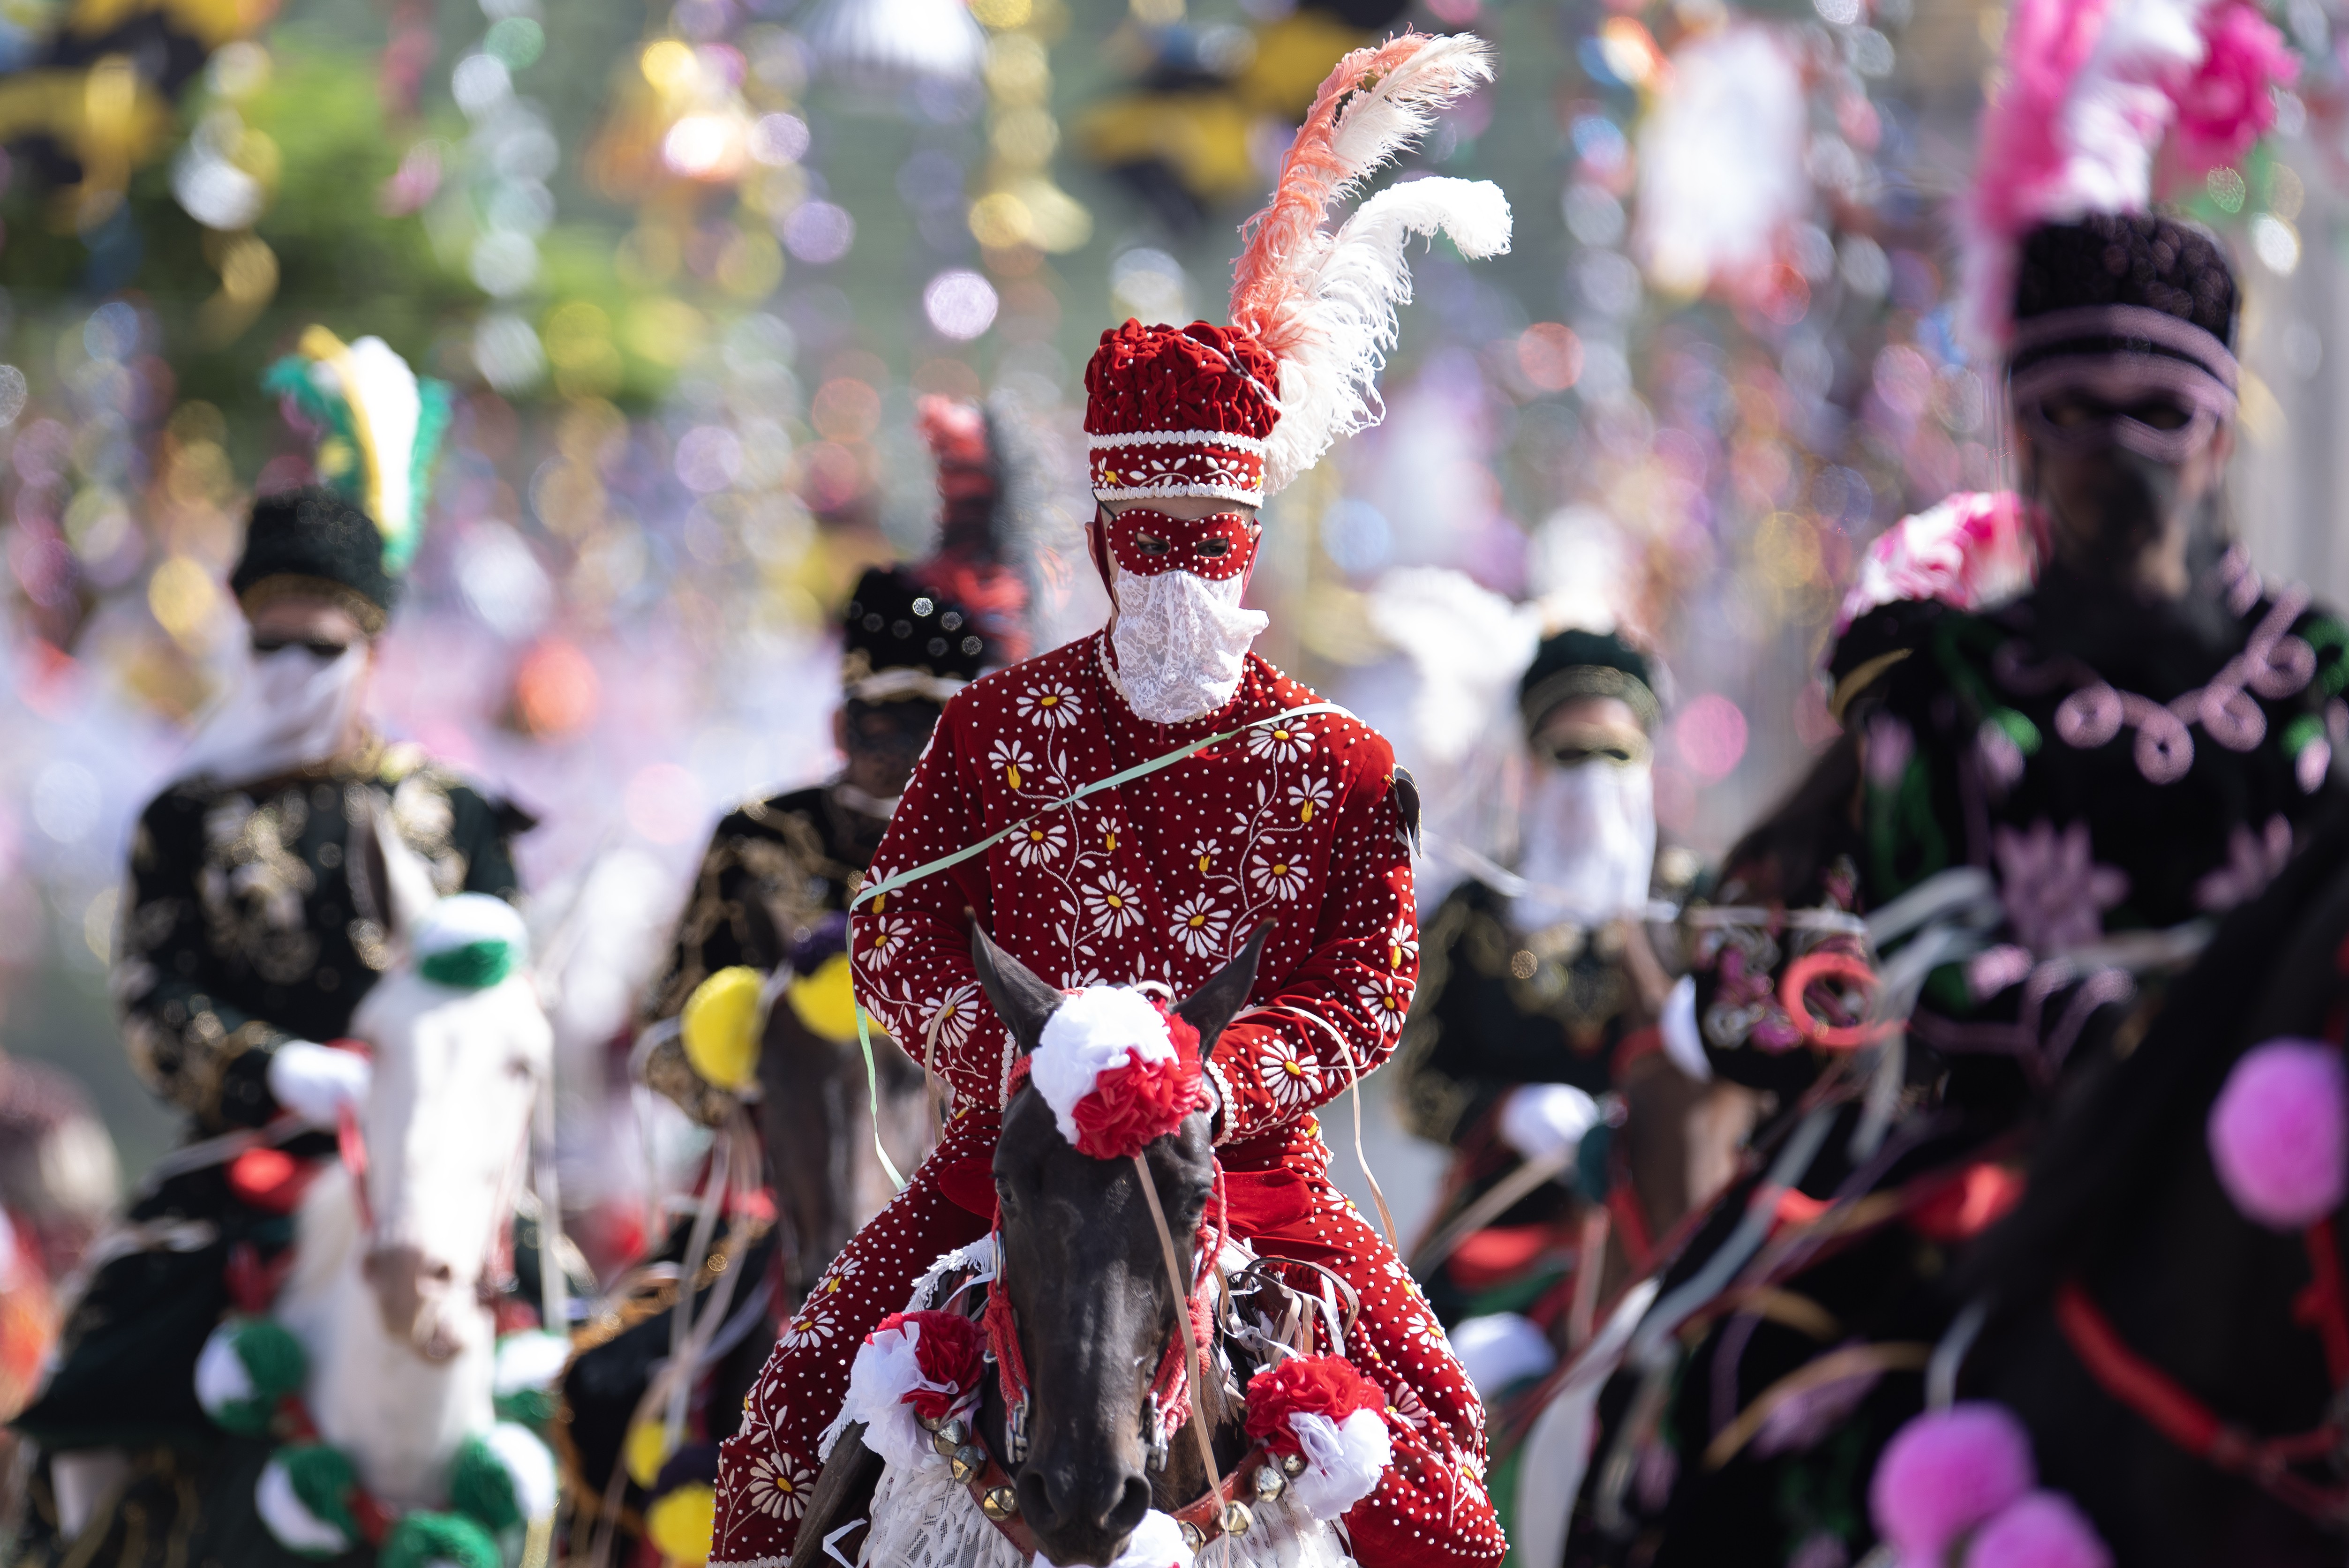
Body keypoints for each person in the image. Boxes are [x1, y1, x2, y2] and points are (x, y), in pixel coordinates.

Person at [708, 31, 1513, 1568]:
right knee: (777, 1432)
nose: (1171, 579)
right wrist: (1012, 1058)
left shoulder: (1338, 759)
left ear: (1248, 535)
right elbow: (896, 926)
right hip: (1000, 1162)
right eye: (1144, 544)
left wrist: (1221, 1077)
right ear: (1097, 532)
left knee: (1440, 1474)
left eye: (1202, 544)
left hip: (1252, 1178)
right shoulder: (1000, 727)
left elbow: (1370, 974)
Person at [1567, 18, 2344, 1561]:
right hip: (1999, 1144)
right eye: (2071, 419)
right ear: (2022, 431)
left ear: (2214, 431)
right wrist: (2052, 1012)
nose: (2112, 460)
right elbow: (1895, 943)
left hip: (2285, 1149)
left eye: (2157, 418)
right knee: (1719, 1381)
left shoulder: (2323, 679)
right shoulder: (1937, 690)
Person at [14, 334, 532, 1543]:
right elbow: (151, 992)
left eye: (323, 641)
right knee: (97, 1373)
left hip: (442, 1159)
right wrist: (273, 1068)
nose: (292, 665)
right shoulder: (189, 815)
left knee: (594, 1370)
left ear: (373, 647)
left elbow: (509, 998)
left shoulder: (453, 812)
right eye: (269, 638)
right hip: (249, 1152)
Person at [558, 546, 1012, 1558]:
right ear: (843, 723)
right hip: (771, 1190)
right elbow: (665, 1045)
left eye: (938, 731)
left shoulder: (1009, 856)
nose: (909, 757)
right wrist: (740, 1048)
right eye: (888, 726)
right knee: (602, 1386)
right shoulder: (756, 839)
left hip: (973, 1202)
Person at [1398, 630, 1743, 1348]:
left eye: (1615, 753)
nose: (1593, 778)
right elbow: (1418, 1088)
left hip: (1677, 1216)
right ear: (1530, 762)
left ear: (1648, 760)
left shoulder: (1704, 906)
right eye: (1569, 753)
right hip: (1506, 1229)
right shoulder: (1470, 914)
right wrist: (1509, 1111)